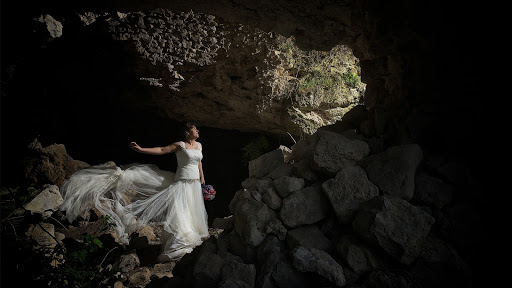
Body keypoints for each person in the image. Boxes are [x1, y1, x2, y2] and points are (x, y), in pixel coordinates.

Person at [59, 122, 209, 262]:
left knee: (192, 210)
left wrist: (202, 177)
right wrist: (141, 149)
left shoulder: (199, 145)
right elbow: (162, 150)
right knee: (181, 211)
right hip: (181, 182)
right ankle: (179, 242)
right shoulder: (180, 145)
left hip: (194, 183)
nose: (197, 131)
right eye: (195, 129)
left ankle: (192, 234)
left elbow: (199, 162)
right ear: (187, 132)